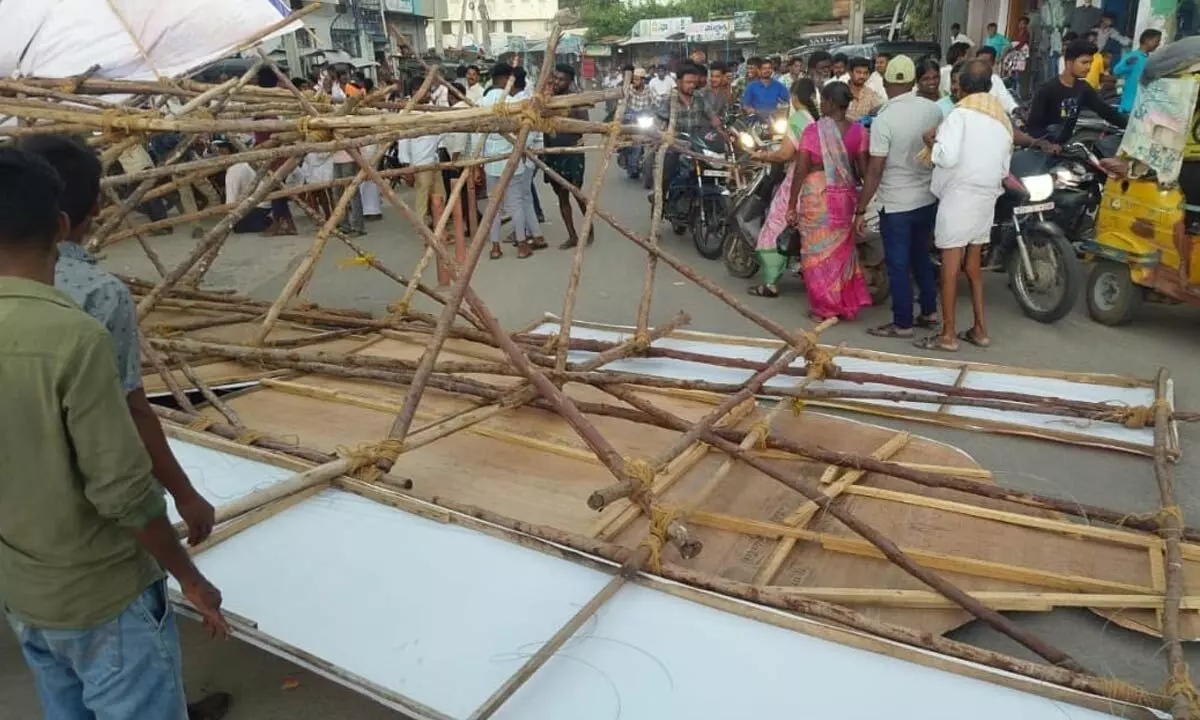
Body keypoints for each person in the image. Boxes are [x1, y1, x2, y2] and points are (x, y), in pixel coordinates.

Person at [0, 147, 231, 720]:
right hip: (100, 590)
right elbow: (122, 489)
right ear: (61, 225)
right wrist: (190, 578)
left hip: (25, 589)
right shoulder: (74, 335)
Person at [917, 59, 1012, 351]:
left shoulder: (960, 115)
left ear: (964, 87)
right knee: (973, 265)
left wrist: (931, 142)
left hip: (960, 195)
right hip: (987, 196)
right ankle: (980, 330)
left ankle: (947, 335)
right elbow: (1005, 167)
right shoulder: (1002, 120)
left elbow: (946, 157)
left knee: (950, 266)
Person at [855, 55, 943, 339]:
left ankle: (902, 322)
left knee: (898, 263)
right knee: (920, 257)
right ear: (913, 81)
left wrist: (860, 208)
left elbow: (875, 169)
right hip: (927, 197)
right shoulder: (933, 110)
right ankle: (929, 312)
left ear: (886, 81)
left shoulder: (885, 119)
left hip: (896, 203)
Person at [776, 82, 873, 320]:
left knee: (815, 254)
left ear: (829, 103)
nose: (820, 104)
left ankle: (824, 307)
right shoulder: (859, 132)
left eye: (822, 101)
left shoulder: (813, 131)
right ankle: (840, 301)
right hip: (844, 197)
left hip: (816, 195)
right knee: (840, 252)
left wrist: (791, 204)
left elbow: (800, 169)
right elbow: (863, 170)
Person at [747, 78, 819, 298]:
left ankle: (770, 283)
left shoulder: (797, 118)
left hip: (797, 180)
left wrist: (763, 155)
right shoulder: (816, 118)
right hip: (817, 183)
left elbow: (785, 154)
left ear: (794, 97)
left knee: (775, 226)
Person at [477, 63, 544, 259]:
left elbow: (476, 132)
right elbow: (526, 130)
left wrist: (479, 159)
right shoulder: (515, 102)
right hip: (512, 159)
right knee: (516, 205)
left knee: (494, 206)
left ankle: (495, 247)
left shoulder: (483, 101)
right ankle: (522, 245)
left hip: (491, 161)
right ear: (507, 79)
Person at [1026, 39, 1128, 145]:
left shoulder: (1083, 89)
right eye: (1084, 62)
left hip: (1065, 150)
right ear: (1069, 63)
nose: (1089, 67)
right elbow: (1033, 126)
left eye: (1090, 63)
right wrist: (1045, 144)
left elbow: (1106, 111)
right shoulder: (1046, 89)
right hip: (1042, 151)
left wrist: (1130, 127)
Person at [543, 65, 591, 249]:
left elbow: (584, 126)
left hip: (571, 153)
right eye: (555, 77)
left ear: (570, 81)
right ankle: (572, 235)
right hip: (552, 152)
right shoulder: (547, 98)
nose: (556, 82)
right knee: (561, 197)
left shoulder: (575, 100)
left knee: (576, 192)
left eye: (561, 79)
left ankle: (588, 228)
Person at [397, 75, 447, 232]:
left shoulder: (432, 109)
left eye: (429, 91)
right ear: (415, 91)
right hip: (419, 164)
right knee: (422, 201)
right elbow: (403, 142)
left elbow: (440, 135)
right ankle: (424, 233)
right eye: (425, 91)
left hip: (434, 160)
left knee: (440, 197)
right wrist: (407, 168)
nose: (428, 94)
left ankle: (440, 231)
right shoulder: (406, 113)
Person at [216, 140, 273, 233]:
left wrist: (228, 222)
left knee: (237, 227)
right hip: (264, 205)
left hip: (259, 207)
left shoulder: (233, 171)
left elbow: (230, 202)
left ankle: (267, 222)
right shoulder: (244, 165)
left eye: (221, 153)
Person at [1113, 29, 1163, 113]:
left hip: (1143, 103)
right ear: (1147, 40)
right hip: (1130, 103)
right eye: (1156, 41)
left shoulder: (1149, 59)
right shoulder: (1133, 56)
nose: (1158, 44)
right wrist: (1126, 63)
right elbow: (1116, 71)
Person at [975, 46, 1018, 113]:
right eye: (980, 61)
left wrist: (1015, 109)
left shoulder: (995, 80)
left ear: (992, 63)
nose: (982, 65)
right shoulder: (967, 77)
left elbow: (1005, 99)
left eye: (986, 62)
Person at [1002, 16, 1031, 98]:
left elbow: (1019, 44)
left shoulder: (1026, 34)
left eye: (1023, 23)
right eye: (1020, 23)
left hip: (1021, 56)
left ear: (1026, 25)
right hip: (1015, 55)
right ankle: (1012, 93)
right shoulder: (1017, 33)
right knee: (1012, 75)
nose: (1021, 25)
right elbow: (1013, 43)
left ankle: (1018, 95)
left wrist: (1010, 46)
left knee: (1018, 77)